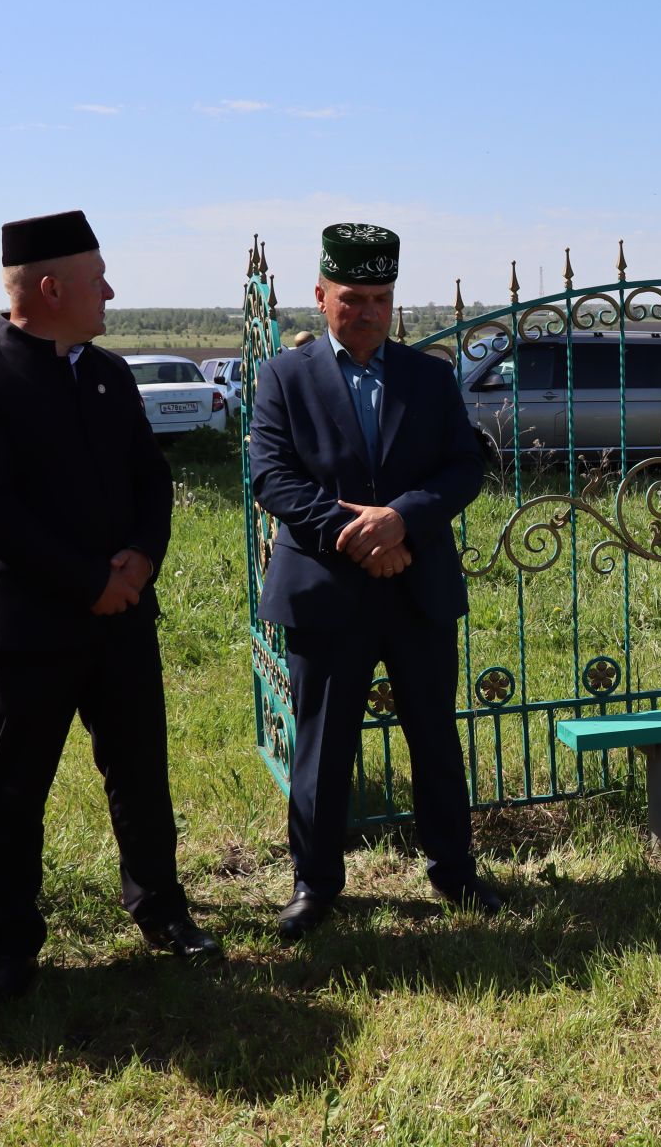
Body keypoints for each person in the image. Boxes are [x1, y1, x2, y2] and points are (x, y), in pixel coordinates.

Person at [0, 209, 219, 1008]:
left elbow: (149, 480)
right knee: (17, 789)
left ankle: (162, 913)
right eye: (98, 280)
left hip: (123, 615)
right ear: (51, 288)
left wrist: (142, 557)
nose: (111, 293)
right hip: (28, 630)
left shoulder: (106, 373)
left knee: (139, 774)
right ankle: (13, 946)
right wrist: (90, 580)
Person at [247, 223, 496, 941]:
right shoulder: (283, 378)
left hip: (416, 587)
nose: (366, 313)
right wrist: (356, 536)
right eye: (351, 299)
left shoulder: (430, 377)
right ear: (320, 296)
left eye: (380, 299)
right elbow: (272, 477)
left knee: (435, 740)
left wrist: (401, 519)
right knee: (323, 749)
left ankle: (454, 871)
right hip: (327, 591)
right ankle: (315, 885)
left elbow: (462, 468)